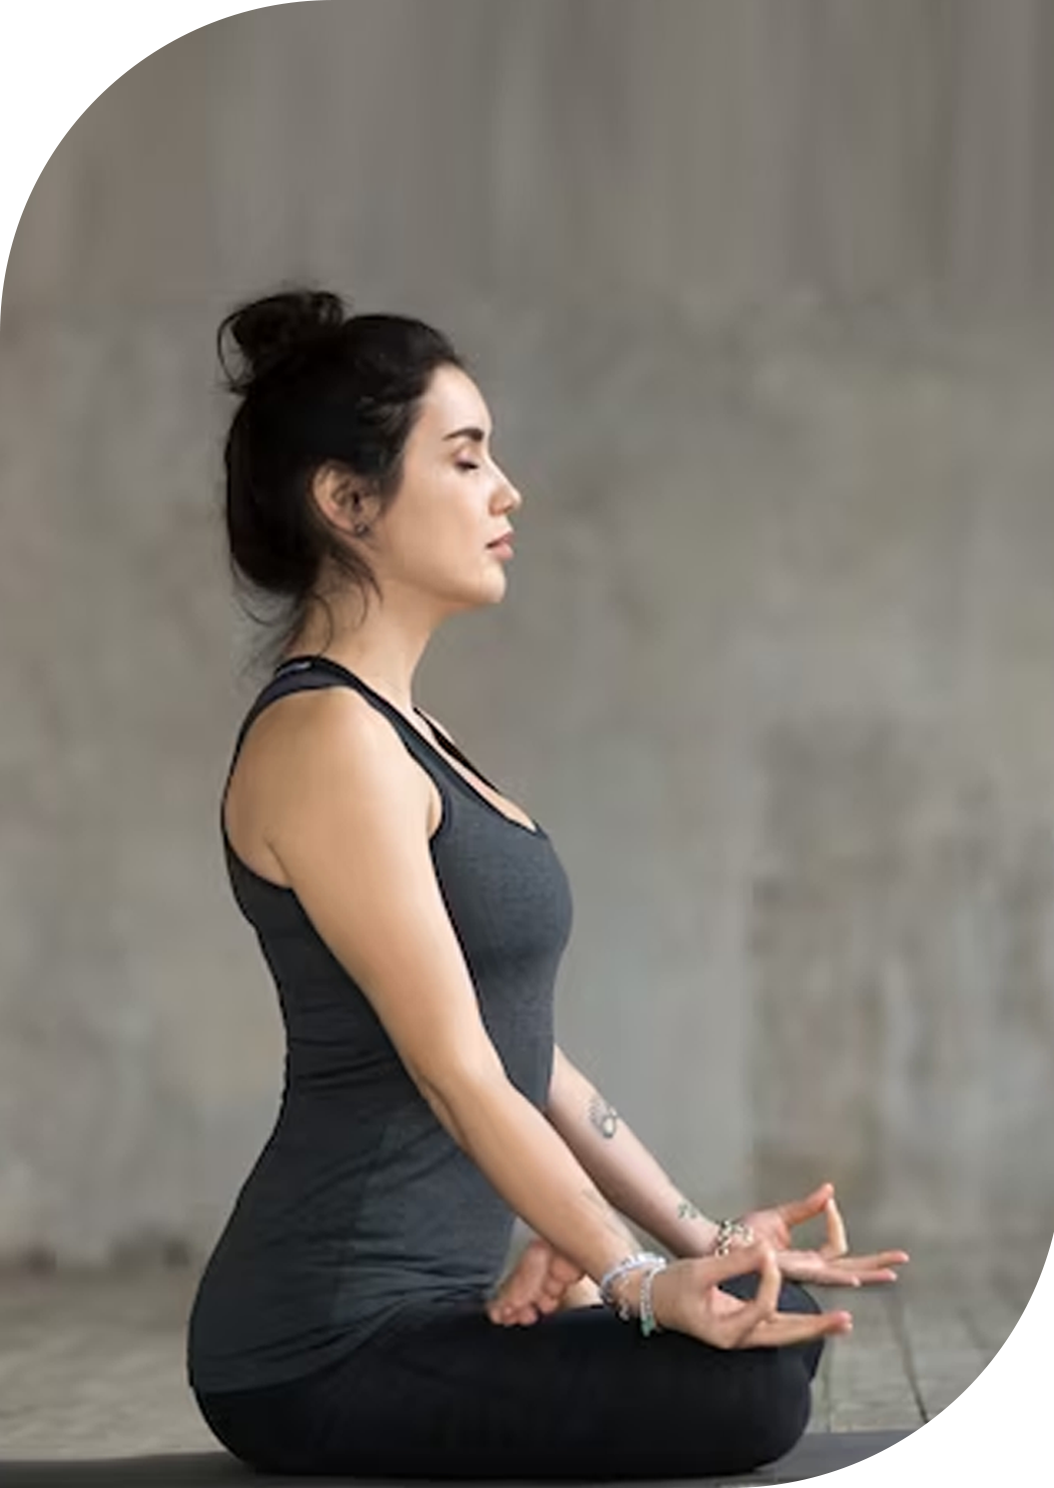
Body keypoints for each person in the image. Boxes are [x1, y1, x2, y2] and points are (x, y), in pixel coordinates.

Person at [186, 286, 909, 1480]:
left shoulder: (401, 732)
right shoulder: (324, 743)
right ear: (347, 500)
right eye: (465, 459)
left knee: (762, 1322)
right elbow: (456, 1072)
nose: (506, 489)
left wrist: (697, 1241)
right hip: (317, 1345)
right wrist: (629, 1277)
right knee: (747, 1392)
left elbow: (525, 1053)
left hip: (416, 1322)